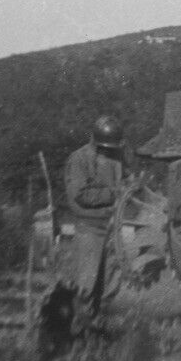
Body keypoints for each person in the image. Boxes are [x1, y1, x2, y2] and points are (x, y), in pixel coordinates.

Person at [59, 114, 129, 329]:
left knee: (109, 283)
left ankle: (98, 326)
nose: (109, 152)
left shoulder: (116, 156)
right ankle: (76, 328)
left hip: (112, 227)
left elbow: (125, 180)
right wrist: (114, 193)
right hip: (89, 227)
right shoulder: (79, 159)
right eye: (105, 148)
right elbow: (81, 194)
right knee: (85, 284)